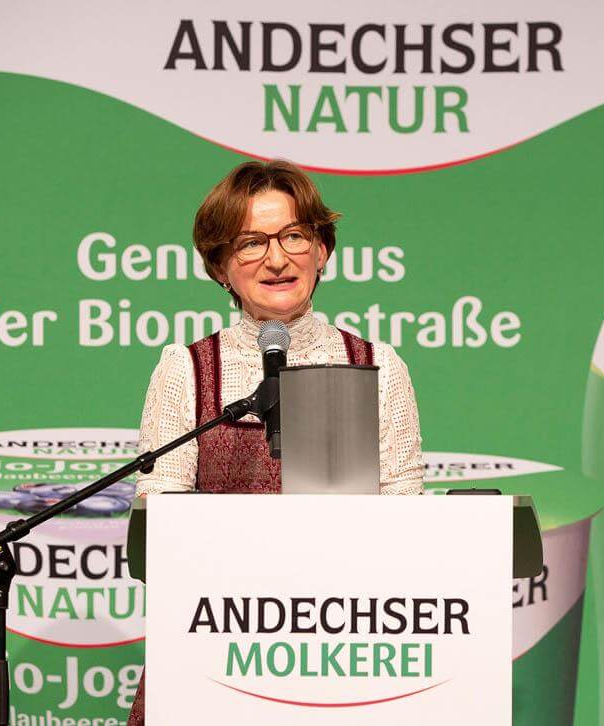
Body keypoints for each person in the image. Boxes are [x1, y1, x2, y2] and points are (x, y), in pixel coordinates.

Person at [127, 159, 424, 724]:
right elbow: (157, 523)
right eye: (251, 243)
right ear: (219, 266)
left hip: (345, 656)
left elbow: (406, 518)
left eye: (294, 235)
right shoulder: (187, 369)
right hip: (213, 653)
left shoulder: (376, 365)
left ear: (323, 250)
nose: (277, 258)